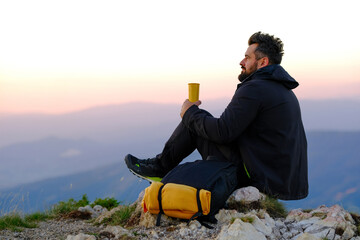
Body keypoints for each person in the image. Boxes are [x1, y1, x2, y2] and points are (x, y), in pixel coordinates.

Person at [125, 31, 308, 200]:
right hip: (276, 179)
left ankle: (159, 168)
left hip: (258, 178)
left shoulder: (255, 88)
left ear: (263, 62)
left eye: (247, 57)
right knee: (198, 118)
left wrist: (189, 113)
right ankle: (161, 165)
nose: (241, 62)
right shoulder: (283, 90)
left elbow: (223, 131)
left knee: (195, 120)